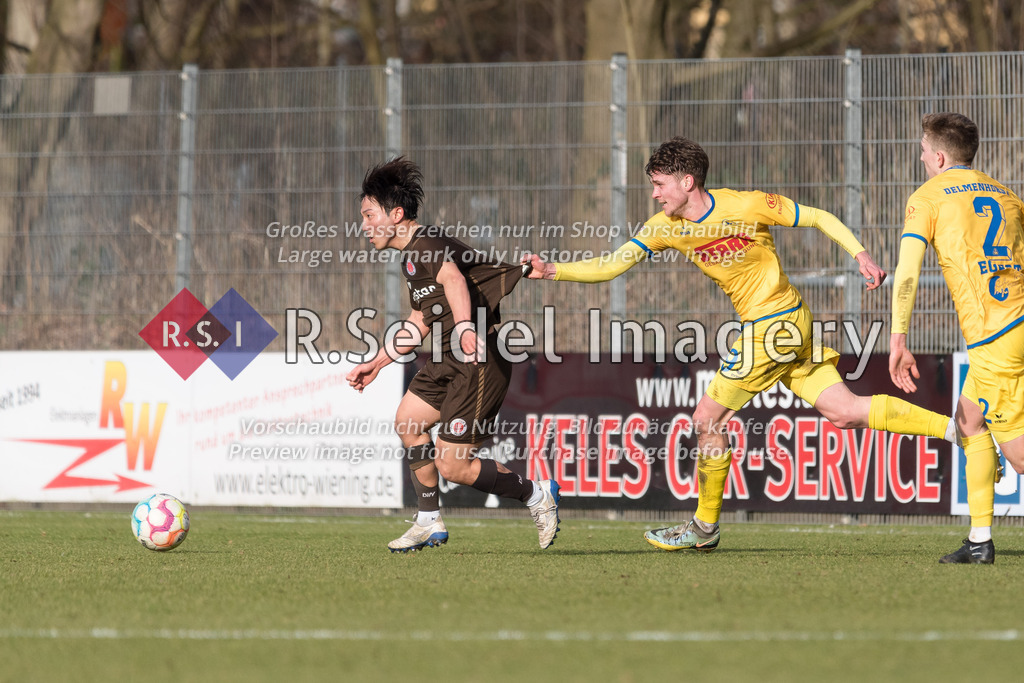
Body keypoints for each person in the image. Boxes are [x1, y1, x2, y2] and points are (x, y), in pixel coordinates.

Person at [522, 136, 957, 552]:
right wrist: (552, 271)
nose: (654, 194)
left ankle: (704, 527)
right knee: (843, 412)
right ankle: (956, 430)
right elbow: (612, 265)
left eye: (659, 184)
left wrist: (860, 254)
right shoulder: (665, 227)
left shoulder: (746, 204)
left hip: (775, 327)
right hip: (788, 328)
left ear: (686, 181)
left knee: (706, 418)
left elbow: (817, 216)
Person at [346, 157, 560, 552]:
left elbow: (453, 278)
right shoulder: (410, 256)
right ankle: (429, 520)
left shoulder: (425, 243)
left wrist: (464, 327)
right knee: (408, 421)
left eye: (368, 214)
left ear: (396, 215)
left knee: (454, 466)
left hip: (477, 360)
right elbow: (419, 320)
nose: (363, 225)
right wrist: (376, 363)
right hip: (447, 358)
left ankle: (536, 494)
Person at [890, 112, 1024, 565]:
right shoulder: (1006, 194)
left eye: (924, 151)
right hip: (1015, 323)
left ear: (941, 156)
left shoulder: (927, 197)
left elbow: (908, 271)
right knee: (969, 421)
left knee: (1020, 457)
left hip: (995, 337)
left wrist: (898, 336)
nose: (922, 158)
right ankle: (980, 541)